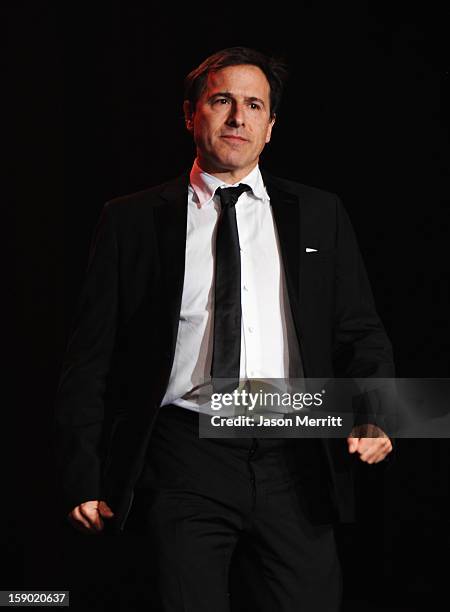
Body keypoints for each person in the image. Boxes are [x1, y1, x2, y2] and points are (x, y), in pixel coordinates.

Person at [54, 46, 394, 611]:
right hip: (184, 456)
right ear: (191, 114)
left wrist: (376, 412)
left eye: (254, 105)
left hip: (296, 455)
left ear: (270, 126)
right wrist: (80, 475)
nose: (238, 117)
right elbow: (90, 358)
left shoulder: (319, 213)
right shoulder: (132, 220)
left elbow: (361, 333)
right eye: (222, 100)